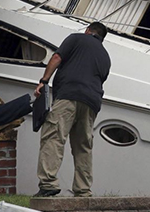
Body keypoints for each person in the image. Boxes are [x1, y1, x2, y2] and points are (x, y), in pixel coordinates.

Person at [33, 22, 111, 198]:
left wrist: (44, 81)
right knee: (83, 146)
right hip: (91, 102)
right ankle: (83, 190)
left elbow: (56, 58)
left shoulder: (77, 38)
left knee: (54, 137)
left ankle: (48, 183)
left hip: (69, 94)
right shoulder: (106, 57)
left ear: (88, 31)